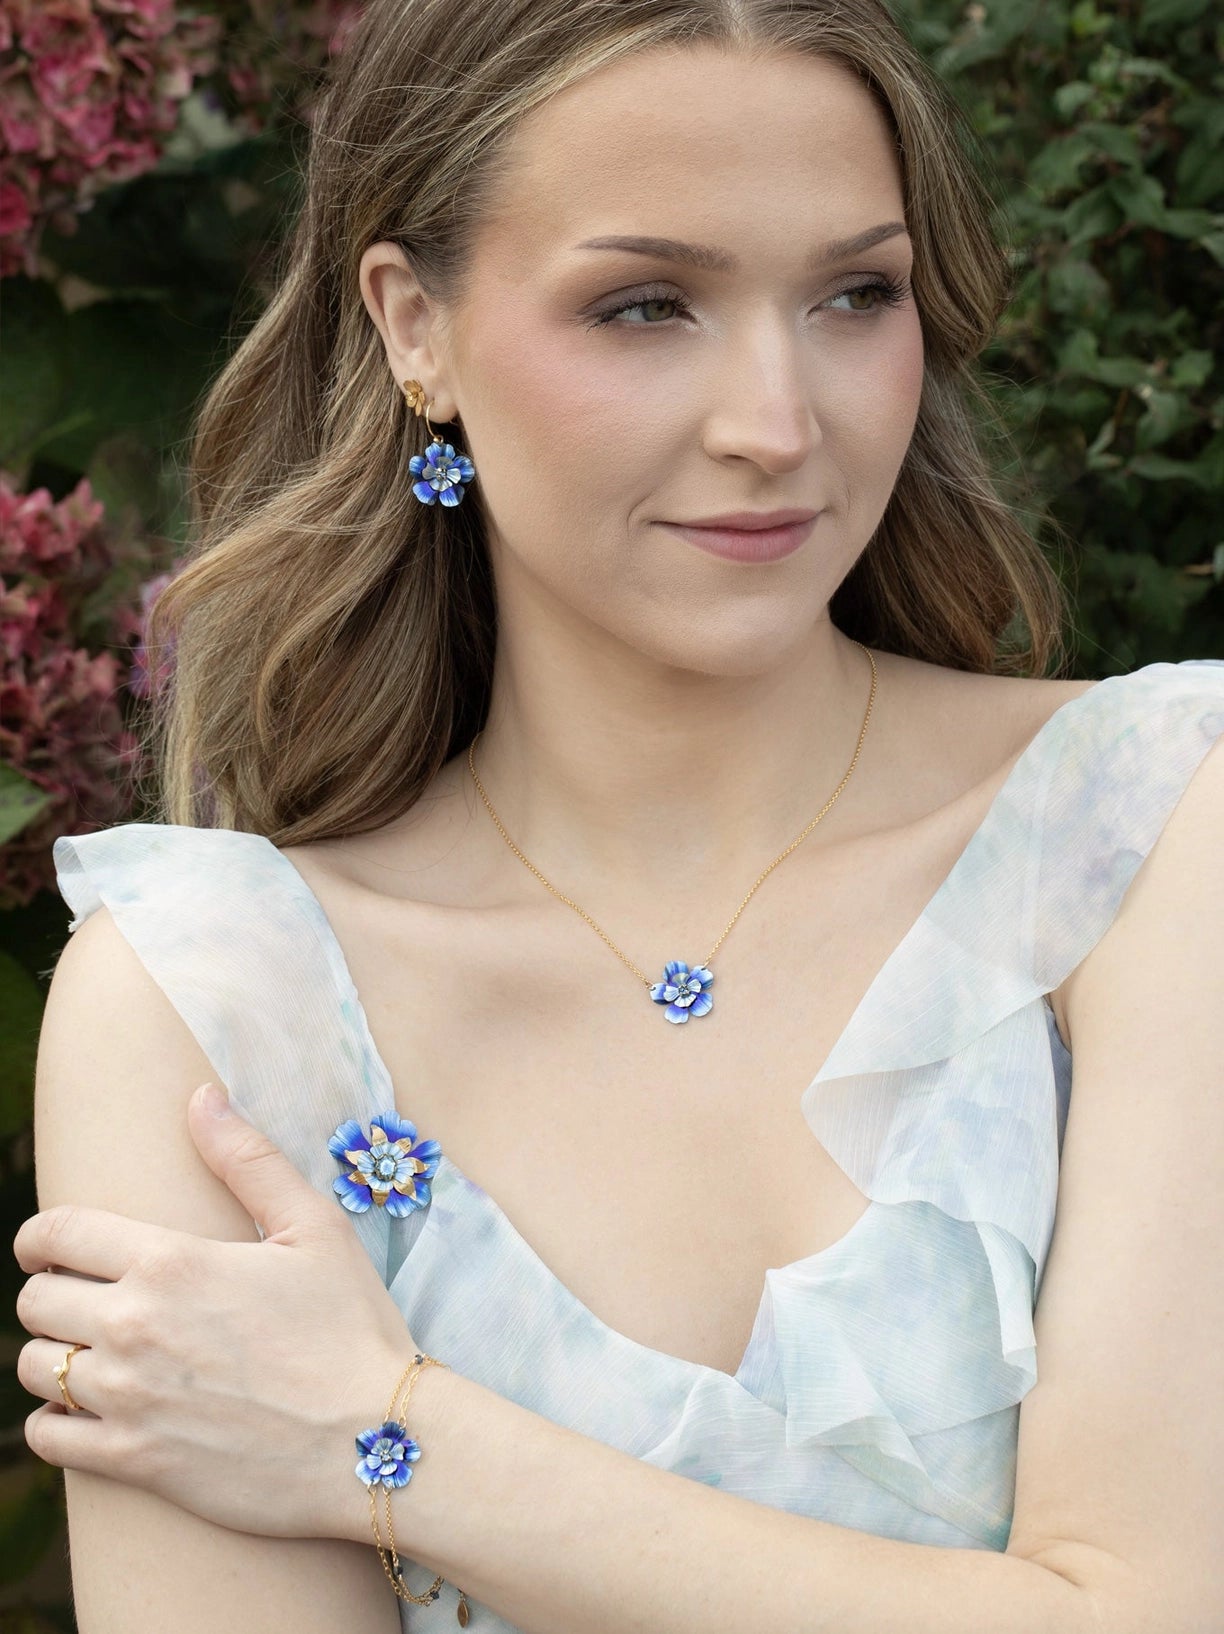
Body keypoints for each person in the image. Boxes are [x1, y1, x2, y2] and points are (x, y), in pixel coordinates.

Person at [12, 0, 1224, 1629]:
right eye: (646, 304)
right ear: (411, 325)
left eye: (855, 295)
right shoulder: (209, 1005)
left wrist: (388, 1435)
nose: (779, 424)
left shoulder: (1154, 829)